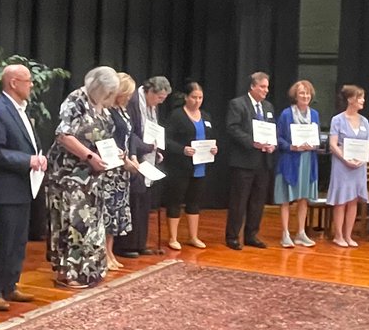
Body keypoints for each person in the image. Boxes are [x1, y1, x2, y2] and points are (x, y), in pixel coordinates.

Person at [46, 66, 120, 288]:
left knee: (91, 223)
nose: (109, 97)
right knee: (72, 222)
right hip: (69, 175)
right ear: (96, 86)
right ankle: (69, 272)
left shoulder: (102, 106)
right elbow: (63, 135)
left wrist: (115, 153)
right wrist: (89, 156)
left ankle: (88, 270)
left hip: (92, 177)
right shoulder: (75, 100)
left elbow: (104, 137)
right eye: (107, 92)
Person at [0, 63, 45, 312]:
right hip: (4, 188)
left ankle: (9, 284)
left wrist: (38, 156)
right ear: (13, 83)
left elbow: (27, 142)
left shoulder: (20, 109)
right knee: (1, 240)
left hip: (22, 186)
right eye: (28, 81)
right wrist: (28, 160)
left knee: (17, 240)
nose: (32, 85)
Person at [115, 76, 170, 258]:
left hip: (147, 157)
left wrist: (156, 151)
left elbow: (153, 131)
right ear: (149, 91)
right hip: (133, 158)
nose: (160, 102)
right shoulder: (132, 102)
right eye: (159, 97)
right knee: (134, 202)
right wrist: (145, 148)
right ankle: (127, 245)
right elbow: (130, 133)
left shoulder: (152, 105)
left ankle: (140, 243)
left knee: (144, 202)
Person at [225, 72, 276, 250]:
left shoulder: (268, 106)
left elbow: (271, 129)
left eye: (267, 87)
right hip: (243, 161)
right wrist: (252, 142)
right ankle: (232, 236)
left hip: (263, 161)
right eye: (262, 87)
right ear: (253, 86)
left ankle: (251, 235)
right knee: (239, 201)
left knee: (257, 202)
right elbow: (232, 128)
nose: (266, 90)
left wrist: (272, 144)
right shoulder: (238, 104)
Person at [163, 81, 215, 250]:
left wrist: (213, 149)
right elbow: (166, 140)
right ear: (186, 97)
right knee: (176, 200)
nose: (197, 101)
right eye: (194, 97)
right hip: (180, 166)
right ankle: (173, 237)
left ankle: (193, 236)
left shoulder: (206, 116)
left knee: (194, 201)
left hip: (200, 166)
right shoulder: (177, 115)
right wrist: (182, 150)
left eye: (200, 98)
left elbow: (209, 137)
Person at [103, 74, 144, 270]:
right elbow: (107, 140)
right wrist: (124, 160)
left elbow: (130, 136)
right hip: (110, 170)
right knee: (107, 213)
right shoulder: (107, 111)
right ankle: (103, 254)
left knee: (116, 214)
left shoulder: (123, 110)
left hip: (123, 171)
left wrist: (133, 157)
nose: (129, 97)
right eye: (127, 93)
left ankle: (110, 252)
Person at [274, 80, 319, 248]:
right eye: (301, 93)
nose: (305, 96)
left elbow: (317, 137)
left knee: (303, 198)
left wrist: (314, 144)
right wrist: (291, 146)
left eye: (307, 93)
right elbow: (278, 138)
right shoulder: (286, 114)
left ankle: (301, 233)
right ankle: (285, 234)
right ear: (295, 95)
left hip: (308, 160)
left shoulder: (314, 114)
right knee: (285, 198)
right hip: (290, 160)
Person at [327, 85, 369, 248]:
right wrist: (345, 158)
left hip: (358, 166)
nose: (363, 100)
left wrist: (363, 158)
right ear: (351, 99)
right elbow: (333, 144)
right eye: (360, 97)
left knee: (353, 200)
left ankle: (348, 235)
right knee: (341, 200)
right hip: (342, 165)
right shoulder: (337, 120)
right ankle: (338, 235)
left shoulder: (365, 121)